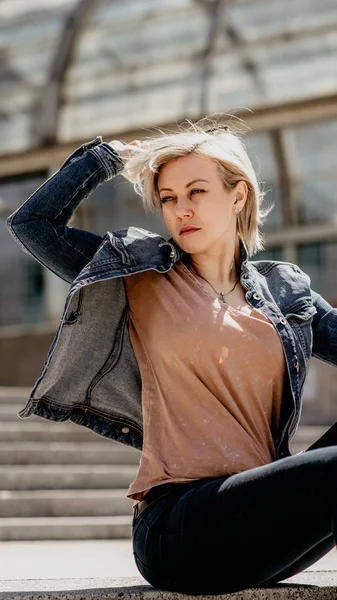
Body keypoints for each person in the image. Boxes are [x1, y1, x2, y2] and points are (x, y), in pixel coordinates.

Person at [6, 120, 337, 595]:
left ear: (237, 196)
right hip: (179, 526)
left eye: (197, 192)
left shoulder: (285, 291)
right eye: (168, 198)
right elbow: (31, 225)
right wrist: (107, 159)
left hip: (264, 521)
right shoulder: (139, 272)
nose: (181, 209)